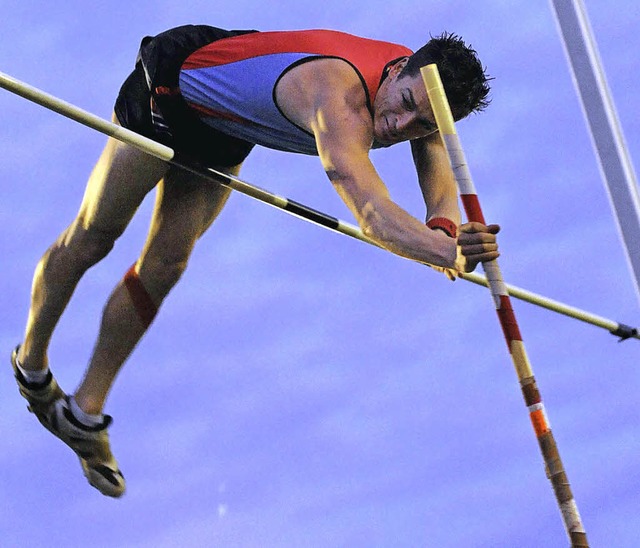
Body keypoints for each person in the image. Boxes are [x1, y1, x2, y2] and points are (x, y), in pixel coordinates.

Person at [11, 25, 500, 497]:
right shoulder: (340, 100)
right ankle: (31, 368)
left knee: (166, 265)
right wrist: (444, 251)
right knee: (97, 236)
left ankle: (82, 414)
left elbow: (432, 146)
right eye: (405, 105)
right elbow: (373, 215)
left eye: (423, 122)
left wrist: (444, 227)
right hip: (173, 87)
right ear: (396, 73)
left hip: (223, 125)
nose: (399, 126)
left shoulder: (418, 83)